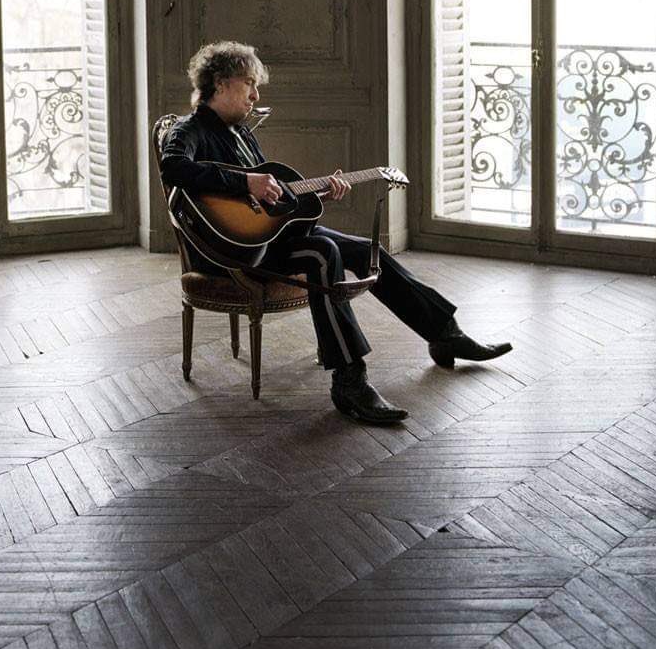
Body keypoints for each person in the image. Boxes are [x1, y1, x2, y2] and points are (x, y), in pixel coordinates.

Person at [160, 41, 513, 425]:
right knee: (322, 252)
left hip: (268, 241)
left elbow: (269, 204)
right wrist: (245, 181)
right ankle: (350, 381)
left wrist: (318, 194)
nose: (256, 96)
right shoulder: (188, 130)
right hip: (231, 253)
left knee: (365, 250)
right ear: (221, 83)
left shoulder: (241, 135)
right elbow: (173, 167)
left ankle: (444, 333)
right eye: (249, 84)